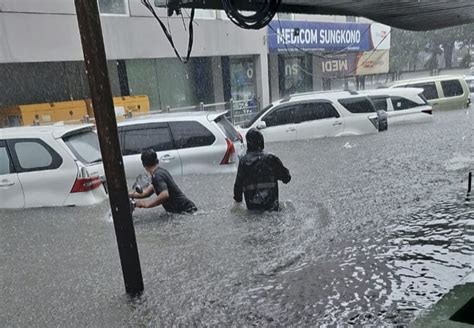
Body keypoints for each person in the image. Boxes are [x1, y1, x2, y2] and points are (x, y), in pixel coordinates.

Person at [233, 128, 291, 211]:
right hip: (271, 208)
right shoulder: (271, 158)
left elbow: (238, 188)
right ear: (262, 141)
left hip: (253, 209)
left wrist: (238, 201)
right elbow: (287, 178)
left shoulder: (243, 162)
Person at [129, 149, 197, 214]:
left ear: (143, 164)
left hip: (186, 210)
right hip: (186, 209)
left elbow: (164, 195)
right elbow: (146, 193)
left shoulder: (157, 175)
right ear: (157, 160)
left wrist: (147, 204)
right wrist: (128, 195)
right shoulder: (160, 172)